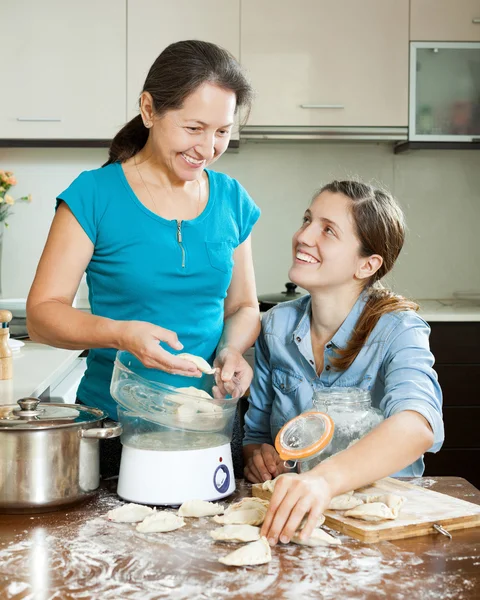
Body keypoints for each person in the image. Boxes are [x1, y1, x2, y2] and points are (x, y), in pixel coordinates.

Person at [27, 40, 261, 477]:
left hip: (208, 422)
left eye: (223, 131)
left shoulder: (231, 199)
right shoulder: (93, 195)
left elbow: (244, 306)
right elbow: (42, 316)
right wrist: (122, 335)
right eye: (194, 128)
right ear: (150, 110)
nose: (208, 148)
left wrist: (232, 349)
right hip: (114, 426)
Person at [242, 180, 444, 546]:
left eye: (328, 230)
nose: (304, 236)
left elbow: (418, 426)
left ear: (367, 264)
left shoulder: (399, 329)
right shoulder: (274, 327)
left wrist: (323, 480)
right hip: (295, 523)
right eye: (307, 220)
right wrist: (261, 458)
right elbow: (255, 438)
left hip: (383, 528)